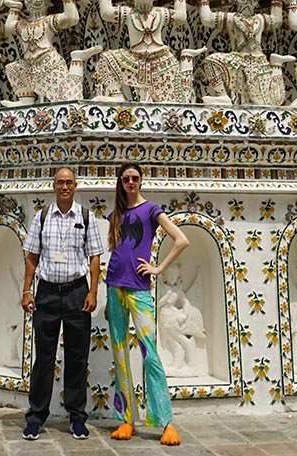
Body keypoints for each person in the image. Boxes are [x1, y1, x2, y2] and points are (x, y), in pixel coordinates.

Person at [105, 162, 189, 446]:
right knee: (119, 353)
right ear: (121, 181)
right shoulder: (116, 213)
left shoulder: (151, 209)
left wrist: (158, 268)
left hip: (139, 289)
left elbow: (181, 240)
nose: (131, 182)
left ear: (141, 181)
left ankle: (165, 421)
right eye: (126, 178)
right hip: (114, 286)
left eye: (135, 178)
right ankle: (126, 418)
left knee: (149, 353)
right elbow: (115, 248)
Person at [21, 166, 103, 441]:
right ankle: (35, 417)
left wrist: (92, 292)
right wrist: (27, 291)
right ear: (53, 186)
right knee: (44, 357)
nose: (65, 187)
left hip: (76, 292)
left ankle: (77, 417)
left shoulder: (86, 217)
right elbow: (32, 256)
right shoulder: (42, 217)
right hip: (46, 293)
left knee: (77, 357)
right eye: (60, 182)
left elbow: (94, 258)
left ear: (76, 186)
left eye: (69, 182)